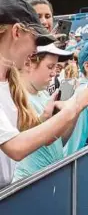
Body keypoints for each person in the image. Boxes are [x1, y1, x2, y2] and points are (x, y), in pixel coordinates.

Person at [0, 0, 88, 189]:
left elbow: (34, 138)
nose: (35, 50)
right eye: (36, 40)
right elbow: (16, 148)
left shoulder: (9, 82)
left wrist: (45, 118)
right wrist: (73, 106)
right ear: (16, 32)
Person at [14, 43, 74, 181]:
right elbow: (23, 144)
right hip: (27, 183)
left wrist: (73, 113)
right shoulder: (14, 99)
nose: (54, 73)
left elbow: (57, 141)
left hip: (50, 178)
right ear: (29, 63)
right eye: (50, 66)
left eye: (56, 67)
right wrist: (70, 110)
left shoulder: (44, 95)